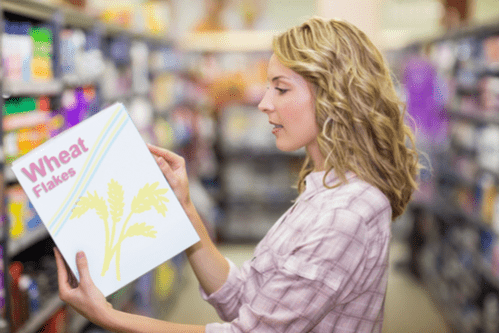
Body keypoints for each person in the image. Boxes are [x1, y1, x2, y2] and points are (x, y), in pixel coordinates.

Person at [55, 16, 420, 333]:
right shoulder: (324, 189)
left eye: (281, 88)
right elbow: (245, 297)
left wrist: (110, 317)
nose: (263, 103)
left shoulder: (344, 213)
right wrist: (184, 208)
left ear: (332, 95)